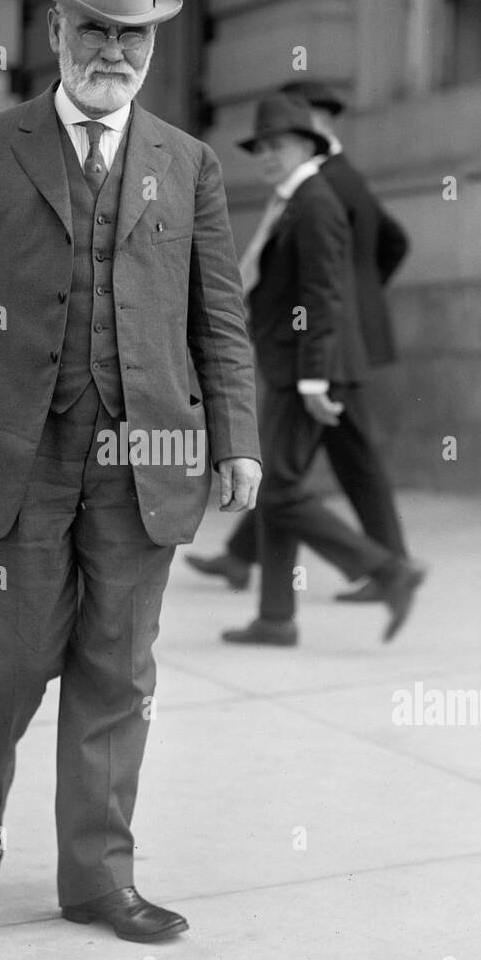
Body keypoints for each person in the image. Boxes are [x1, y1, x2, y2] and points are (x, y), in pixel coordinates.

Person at [0, 0, 261, 942]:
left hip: (147, 454)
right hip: (17, 450)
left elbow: (216, 317)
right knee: (12, 662)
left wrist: (234, 437)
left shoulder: (185, 165)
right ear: (56, 29)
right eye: (93, 30)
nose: (112, 53)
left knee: (118, 668)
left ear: (151, 47)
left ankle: (98, 879)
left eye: (131, 37)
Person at [189, 80, 422, 610]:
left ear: (311, 140)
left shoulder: (322, 196)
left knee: (281, 486)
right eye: (261, 146)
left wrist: (327, 354)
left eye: (279, 144)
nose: (267, 155)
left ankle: (385, 569)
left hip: (312, 362)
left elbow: (324, 290)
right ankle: (274, 611)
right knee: (290, 481)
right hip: (307, 357)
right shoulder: (298, 198)